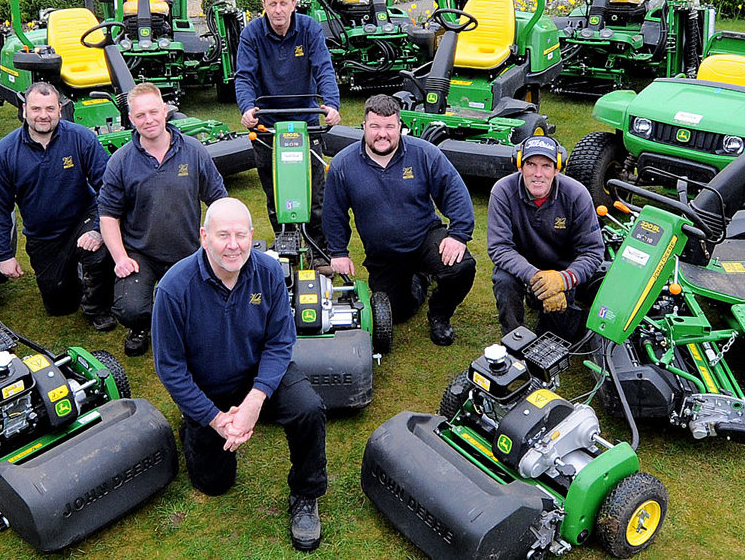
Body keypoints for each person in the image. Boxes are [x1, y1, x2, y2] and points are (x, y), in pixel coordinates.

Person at [152, 198, 328, 552]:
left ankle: (306, 494)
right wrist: (213, 418)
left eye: (240, 235)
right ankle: (194, 424)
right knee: (215, 485)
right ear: (204, 237)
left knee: (309, 408)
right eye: (222, 235)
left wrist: (256, 398)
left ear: (252, 235)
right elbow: (170, 368)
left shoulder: (268, 272)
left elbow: (280, 342)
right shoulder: (173, 289)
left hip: (257, 375)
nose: (233, 245)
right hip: (209, 388)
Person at [322, 94, 476, 346]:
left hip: (424, 237)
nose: (382, 134)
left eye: (389, 127)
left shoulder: (424, 154)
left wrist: (458, 234)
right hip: (383, 253)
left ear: (400, 127)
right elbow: (333, 213)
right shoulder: (343, 165)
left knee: (461, 267)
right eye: (375, 127)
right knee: (398, 313)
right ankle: (420, 280)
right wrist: (338, 251)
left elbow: (454, 191)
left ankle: (439, 314)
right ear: (364, 127)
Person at [99, 82, 227, 356]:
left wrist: (215, 244)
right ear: (131, 119)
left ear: (165, 110)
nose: (148, 120)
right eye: (140, 115)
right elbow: (108, 216)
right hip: (141, 254)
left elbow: (219, 202)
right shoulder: (120, 161)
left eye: (153, 112)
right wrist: (121, 258)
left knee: (208, 309)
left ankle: (177, 320)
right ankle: (141, 326)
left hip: (188, 251)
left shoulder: (194, 151)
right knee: (129, 308)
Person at [0, 82, 115, 331]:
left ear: (59, 109)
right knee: (59, 306)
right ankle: (73, 278)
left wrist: (99, 228)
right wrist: (3, 254)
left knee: (98, 253)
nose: (43, 115)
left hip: (82, 220)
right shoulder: (5, 151)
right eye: (36, 108)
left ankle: (98, 308)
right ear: (25, 110)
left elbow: (109, 188)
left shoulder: (81, 138)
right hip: (43, 235)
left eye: (49, 109)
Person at [235, 0, 339, 247]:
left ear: (294, 4)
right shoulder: (252, 34)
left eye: (283, 3)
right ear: (264, 6)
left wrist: (331, 103)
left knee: (315, 191)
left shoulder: (309, 29)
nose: (278, 10)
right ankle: (285, 241)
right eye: (272, 4)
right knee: (275, 191)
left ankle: (319, 247)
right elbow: (244, 76)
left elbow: (323, 68)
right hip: (267, 124)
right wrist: (247, 108)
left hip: (305, 121)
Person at [487, 136, 606, 339]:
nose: (538, 174)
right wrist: (536, 278)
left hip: (563, 270)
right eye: (531, 165)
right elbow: (499, 248)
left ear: (557, 169)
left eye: (546, 166)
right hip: (521, 266)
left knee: (558, 336)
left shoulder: (577, 195)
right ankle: (514, 338)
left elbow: (593, 251)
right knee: (504, 281)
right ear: (520, 166)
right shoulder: (502, 191)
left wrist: (564, 280)